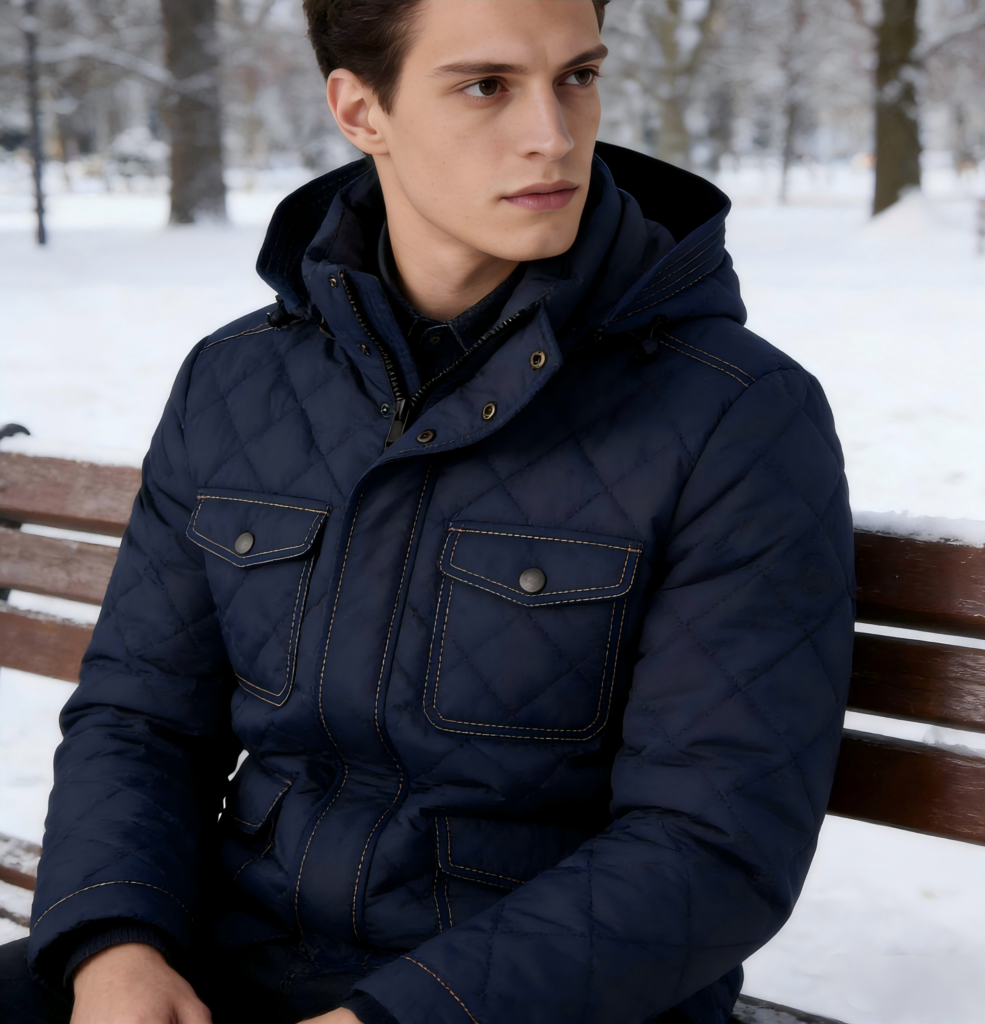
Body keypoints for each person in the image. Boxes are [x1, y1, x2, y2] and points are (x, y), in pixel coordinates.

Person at [0, 2, 855, 1022]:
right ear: (362, 109)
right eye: (487, 85)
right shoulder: (237, 380)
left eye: (577, 76)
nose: (554, 134)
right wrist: (114, 945)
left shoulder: (735, 415)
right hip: (229, 950)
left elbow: (712, 844)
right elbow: (141, 717)